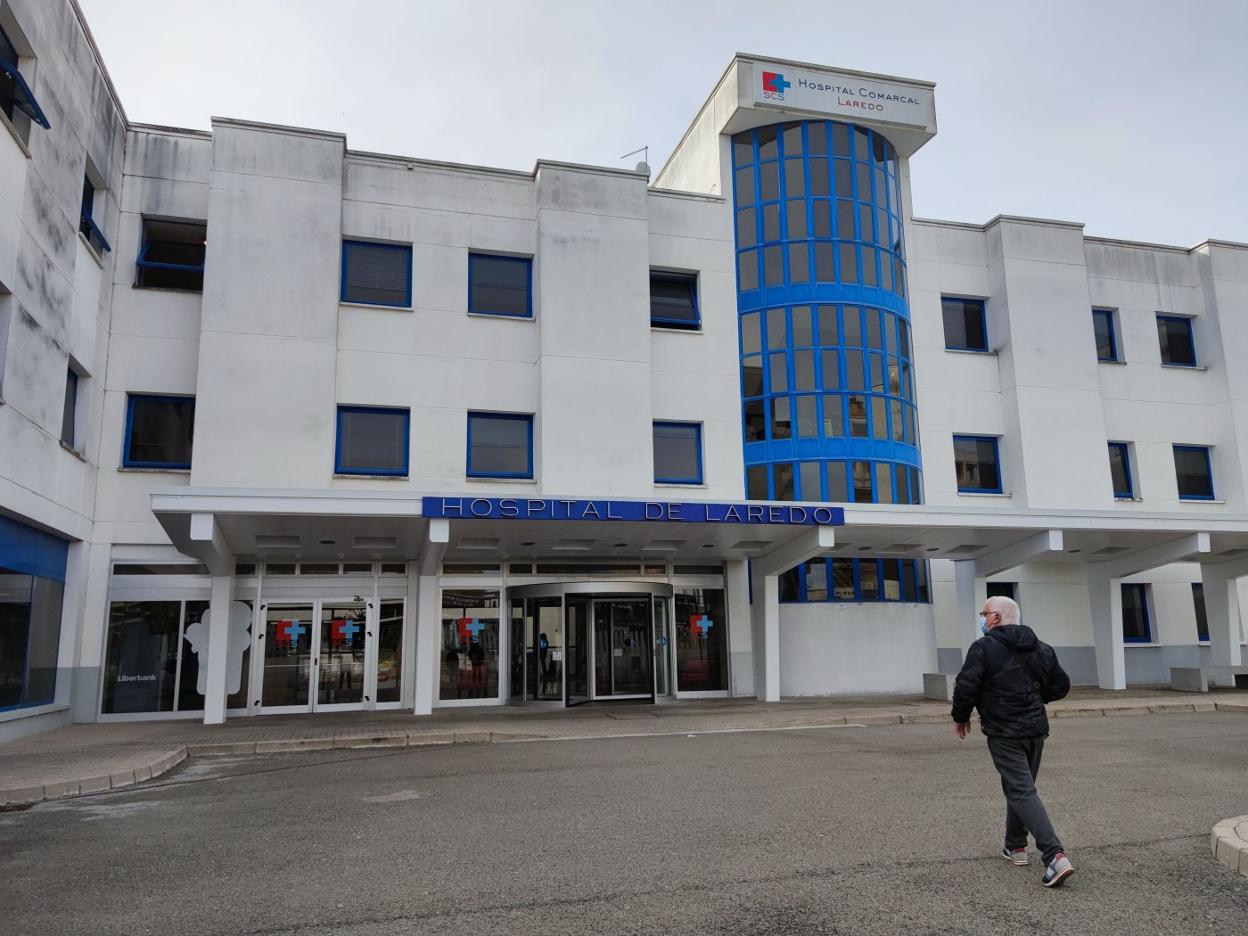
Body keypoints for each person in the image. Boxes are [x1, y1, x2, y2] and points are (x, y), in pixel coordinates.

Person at [951, 595, 1075, 888]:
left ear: (995, 617)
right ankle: (1015, 846)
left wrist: (961, 716)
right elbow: (1061, 684)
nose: (982, 617)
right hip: (1035, 730)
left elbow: (966, 684)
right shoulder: (1041, 648)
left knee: (1021, 790)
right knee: (1021, 788)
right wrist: (1033, 699)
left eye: (984, 612)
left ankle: (1054, 855)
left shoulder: (983, 648)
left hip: (1004, 731)